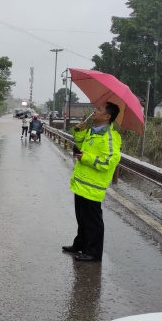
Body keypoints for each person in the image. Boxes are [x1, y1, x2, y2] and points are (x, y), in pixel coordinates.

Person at [62, 102, 122, 262]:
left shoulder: (109, 136)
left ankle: (94, 252)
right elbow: (83, 148)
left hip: (93, 187)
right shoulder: (93, 132)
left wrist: (86, 158)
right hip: (81, 183)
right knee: (82, 219)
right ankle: (80, 244)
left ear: (107, 116)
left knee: (93, 222)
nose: (94, 111)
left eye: (99, 109)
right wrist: (80, 133)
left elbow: (110, 161)